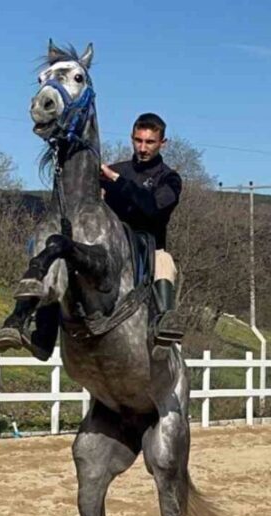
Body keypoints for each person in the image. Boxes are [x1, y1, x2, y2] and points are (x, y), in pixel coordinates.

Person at [100, 112, 183, 345]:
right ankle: (39, 320)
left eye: (150, 142)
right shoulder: (113, 171)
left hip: (149, 250)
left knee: (165, 262)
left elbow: (153, 208)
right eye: (138, 140)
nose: (143, 148)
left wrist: (116, 181)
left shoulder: (170, 179)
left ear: (163, 143)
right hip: (110, 246)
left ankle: (165, 324)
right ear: (132, 138)